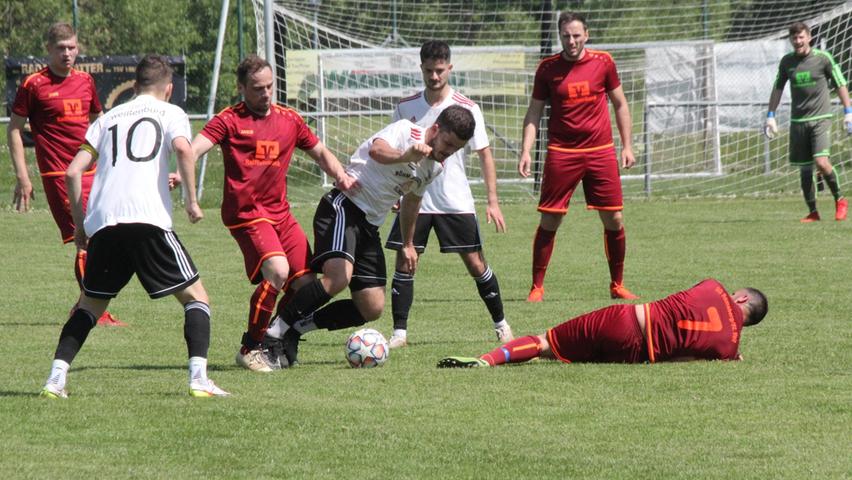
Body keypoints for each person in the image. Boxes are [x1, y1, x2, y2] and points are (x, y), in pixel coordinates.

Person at [40, 55, 228, 398]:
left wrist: (80, 226)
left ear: (136, 85)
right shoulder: (171, 112)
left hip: (105, 222)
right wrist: (191, 201)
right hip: (146, 219)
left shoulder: (108, 117)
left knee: (89, 306)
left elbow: (71, 172)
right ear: (168, 88)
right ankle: (199, 379)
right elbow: (185, 151)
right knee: (196, 298)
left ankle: (55, 379)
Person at [263, 105, 476, 367]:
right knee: (338, 278)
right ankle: (272, 334)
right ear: (435, 129)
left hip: (369, 226)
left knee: (371, 307)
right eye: (448, 143)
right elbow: (377, 151)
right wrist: (405, 155)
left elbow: (411, 202)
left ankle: (296, 329)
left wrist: (408, 244)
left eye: (455, 149)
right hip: (344, 206)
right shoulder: (406, 131)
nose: (448, 152)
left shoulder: (434, 168)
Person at [191, 55, 358, 372]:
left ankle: (276, 339)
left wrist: (342, 176)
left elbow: (320, 151)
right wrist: (183, 180)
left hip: (280, 214)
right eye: (257, 88)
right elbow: (194, 147)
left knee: (307, 287)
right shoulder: (229, 119)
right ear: (241, 88)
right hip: (247, 214)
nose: (265, 93)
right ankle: (250, 348)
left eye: (270, 86)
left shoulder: (289, 120)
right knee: (278, 272)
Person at [383, 41, 511, 349]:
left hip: (454, 198)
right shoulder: (406, 107)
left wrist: (492, 200)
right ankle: (400, 333)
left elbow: (484, 154)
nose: (434, 76)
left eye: (440, 70)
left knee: (475, 262)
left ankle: (502, 325)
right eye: (429, 70)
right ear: (422, 69)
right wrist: (395, 193)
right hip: (416, 197)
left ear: (449, 69)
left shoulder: (468, 108)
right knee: (405, 258)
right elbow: (397, 151)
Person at [7, 22, 124, 326]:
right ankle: (93, 311)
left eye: (72, 47)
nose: (68, 53)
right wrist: (23, 175)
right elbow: (14, 131)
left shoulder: (85, 81)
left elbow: (100, 122)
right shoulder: (33, 85)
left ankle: (87, 306)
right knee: (84, 238)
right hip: (59, 174)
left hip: (93, 171)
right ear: (49, 50)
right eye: (61, 48)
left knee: (104, 235)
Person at [518, 11, 637, 303]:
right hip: (562, 152)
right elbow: (534, 112)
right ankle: (537, 287)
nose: (571, 41)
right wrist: (525, 150)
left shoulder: (603, 62)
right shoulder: (547, 68)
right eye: (565, 36)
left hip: (600, 152)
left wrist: (627, 145)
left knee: (614, 218)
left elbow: (620, 104)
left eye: (576, 35)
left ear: (586, 35)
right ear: (560, 36)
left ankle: (617, 284)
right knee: (550, 220)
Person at [437, 278, 767, 368]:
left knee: (544, 342)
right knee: (552, 355)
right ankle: (516, 358)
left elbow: (688, 302)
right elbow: (683, 356)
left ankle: (487, 360)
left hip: (626, 320)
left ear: (739, 298)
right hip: (635, 355)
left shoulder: (712, 287)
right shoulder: (728, 349)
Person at [764, 21, 852, 223]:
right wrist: (770, 115)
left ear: (809, 37)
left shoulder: (823, 59)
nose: (798, 41)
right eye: (794, 38)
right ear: (791, 40)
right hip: (798, 121)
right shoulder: (787, 62)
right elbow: (777, 88)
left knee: (821, 162)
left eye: (801, 37)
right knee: (805, 170)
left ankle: (840, 199)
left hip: (821, 118)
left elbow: (840, 83)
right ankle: (813, 212)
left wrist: (849, 112)